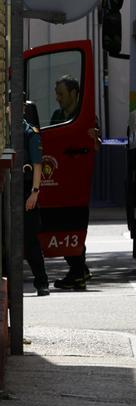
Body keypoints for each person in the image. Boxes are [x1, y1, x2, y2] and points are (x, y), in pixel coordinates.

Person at [48, 75, 99, 290]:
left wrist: (93, 139)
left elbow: (96, 147)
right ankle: (79, 271)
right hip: (58, 180)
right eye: (57, 94)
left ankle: (78, 272)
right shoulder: (57, 116)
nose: (58, 99)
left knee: (75, 225)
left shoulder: (87, 117)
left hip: (77, 180)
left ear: (74, 93)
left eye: (61, 94)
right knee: (58, 224)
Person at [23, 104, 50, 296]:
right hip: (9, 188)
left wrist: (34, 192)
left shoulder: (29, 132)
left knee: (29, 239)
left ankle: (42, 282)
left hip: (25, 190)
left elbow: (37, 164)